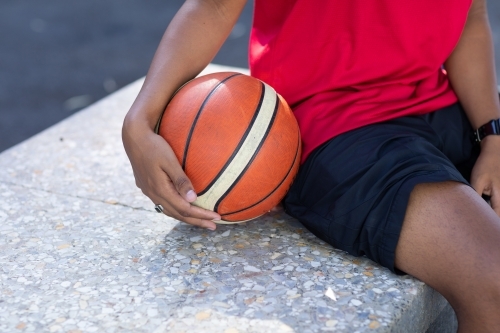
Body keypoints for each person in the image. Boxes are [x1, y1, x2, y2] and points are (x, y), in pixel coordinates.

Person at [122, 0, 500, 331]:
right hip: (336, 123)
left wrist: (492, 134)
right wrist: (140, 119)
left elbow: (470, 14)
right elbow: (216, 5)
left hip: (443, 100)